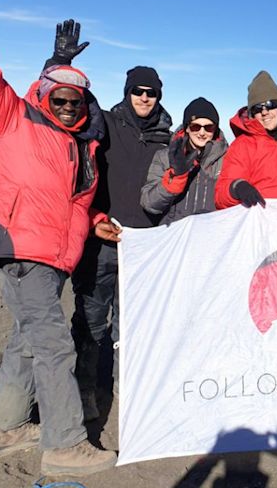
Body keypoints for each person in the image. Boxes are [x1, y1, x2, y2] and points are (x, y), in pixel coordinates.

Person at [0, 0, 116, 475]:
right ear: (44, 94)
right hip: (23, 251)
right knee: (53, 346)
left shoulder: (80, 149)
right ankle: (65, 445)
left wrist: (94, 222)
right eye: (60, 98)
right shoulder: (14, 117)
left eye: (76, 101)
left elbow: (68, 206)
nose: (69, 106)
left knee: (25, 341)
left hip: (52, 257)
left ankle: (5, 429)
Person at [69, 51, 172, 420]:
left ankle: (125, 392)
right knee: (91, 323)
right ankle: (84, 393)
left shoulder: (168, 139)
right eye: (138, 91)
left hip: (144, 248)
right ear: (127, 92)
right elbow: (78, 170)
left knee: (134, 327)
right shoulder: (105, 126)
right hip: (99, 242)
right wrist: (94, 216)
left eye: (152, 93)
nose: (145, 98)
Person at [214, 71, 277, 209]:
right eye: (258, 108)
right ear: (252, 114)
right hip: (263, 225)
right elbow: (220, 197)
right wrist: (237, 187)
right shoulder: (243, 146)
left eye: (270, 105)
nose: (264, 112)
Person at [141, 97, 228, 222]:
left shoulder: (226, 159)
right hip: (174, 234)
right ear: (187, 127)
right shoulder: (165, 157)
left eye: (208, 127)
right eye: (195, 127)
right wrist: (174, 180)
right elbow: (149, 204)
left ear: (215, 130)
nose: (202, 133)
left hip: (210, 234)